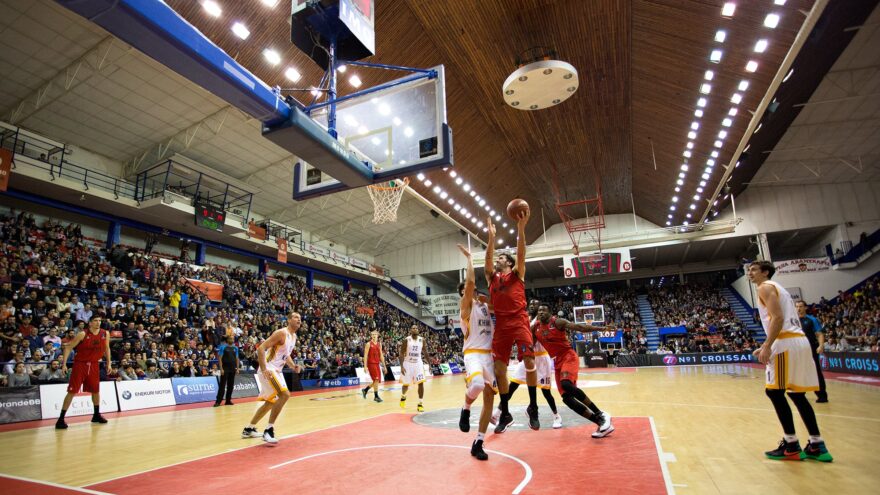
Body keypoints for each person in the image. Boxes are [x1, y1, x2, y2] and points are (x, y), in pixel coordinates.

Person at [748, 261, 832, 462]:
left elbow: (777, 318)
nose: (749, 273)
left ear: (765, 272)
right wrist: (766, 343)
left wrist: (768, 345)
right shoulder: (779, 288)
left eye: (753, 269)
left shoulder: (765, 287)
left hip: (785, 342)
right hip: (798, 341)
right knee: (797, 394)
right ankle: (816, 444)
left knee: (774, 392)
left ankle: (791, 445)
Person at [485, 210, 539, 432]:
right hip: (502, 325)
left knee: (528, 362)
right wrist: (491, 237)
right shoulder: (492, 277)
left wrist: (521, 228)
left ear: (508, 262)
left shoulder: (517, 273)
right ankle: (505, 413)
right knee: (499, 370)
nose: (497, 260)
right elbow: (487, 260)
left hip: (519, 321)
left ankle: (533, 407)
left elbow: (522, 252)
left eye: (501, 258)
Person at [534, 304, 614, 438]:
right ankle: (600, 422)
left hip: (568, 356)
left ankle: (600, 413)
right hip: (556, 362)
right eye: (539, 311)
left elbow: (580, 328)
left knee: (566, 384)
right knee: (567, 399)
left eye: (544, 310)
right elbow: (526, 341)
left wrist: (601, 328)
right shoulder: (535, 327)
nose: (541, 312)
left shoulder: (557, 322)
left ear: (550, 313)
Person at [456, 244, 496, 461]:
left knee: (489, 400)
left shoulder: (484, 306)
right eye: (465, 290)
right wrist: (470, 259)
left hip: (489, 354)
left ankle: (478, 442)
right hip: (472, 352)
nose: (469, 291)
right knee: (478, 385)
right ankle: (465, 407)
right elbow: (470, 282)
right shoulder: (465, 306)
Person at [241, 312, 303, 445]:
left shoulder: (294, 336)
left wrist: (293, 366)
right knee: (285, 395)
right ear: (288, 320)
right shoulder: (281, 333)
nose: (299, 319)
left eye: (300, 318)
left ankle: (249, 429)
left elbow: (285, 355)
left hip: (277, 371)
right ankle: (268, 430)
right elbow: (261, 348)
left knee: (270, 402)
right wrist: (264, 369)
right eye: (295, 317)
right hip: (269, 369)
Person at [501, 299, 563, 428]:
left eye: (536, 304)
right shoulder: (526, 319)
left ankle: (556, 416)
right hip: (528, 357)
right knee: (512, 385)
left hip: (541, 358)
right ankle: (498, 413)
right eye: (531, 304)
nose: (532, 306)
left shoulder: (541, 321)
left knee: (546, 392)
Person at [56, 315, 111, 429]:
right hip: (80, 364)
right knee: (72, 391)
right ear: (90, 323)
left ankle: (96, 415)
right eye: (95, 320)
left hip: (94, 364)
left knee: (96, 391)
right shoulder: (82, 334)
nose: (98, 322)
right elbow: (68, 348)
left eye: (99, 320)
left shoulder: (105, 333)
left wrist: (109, 363)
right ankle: (60, 419)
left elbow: (107, 348)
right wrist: (64, 364)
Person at [795, 301, 827, 403]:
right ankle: (800, 393)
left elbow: (819, 334)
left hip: (811, 348)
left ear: (805, 308)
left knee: (816, 371)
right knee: (799, 371)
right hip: (798, 350)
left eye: (800, 306)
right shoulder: (793, 321)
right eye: (797, 307)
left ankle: (822, 395)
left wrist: (821, 345)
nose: (798, 308)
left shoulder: (812, 319)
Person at [399, 325, 428, 412]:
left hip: (418, 363)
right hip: (407, 363)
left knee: (421, 383)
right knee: (406, 384)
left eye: (416, 328)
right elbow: (401, 353)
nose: (415, 329)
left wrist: (430, 364)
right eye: (413, 328)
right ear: (410, 330)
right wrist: (401, 366)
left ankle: (420, 404)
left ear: (418, 330)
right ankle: (403, 396)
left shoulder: (422, 340)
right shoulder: (406, 340)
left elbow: (425, 352)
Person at [215, 335, 240, 407]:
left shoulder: (235, 348)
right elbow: (220, 358)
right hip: (225, 368)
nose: (232, 339)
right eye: (231, 338)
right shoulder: (223, 347)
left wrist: (237, 368)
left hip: (232, 368)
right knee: (222, 385)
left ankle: (228, 400)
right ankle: (218, 401)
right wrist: (221, 368)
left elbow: (237, 358)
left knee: (231, 385)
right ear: (227, 340)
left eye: (233, 339)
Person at [361, 330, 385, 403]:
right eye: (373, 334)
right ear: (371, 336)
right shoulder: (368, 344)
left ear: (378, 335)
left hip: (377, 364)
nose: (374, 335)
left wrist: (384, 366)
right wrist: (365, 366)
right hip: (371, 364)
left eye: (375, 334)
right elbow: (365, 356)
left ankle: (365, 390)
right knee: (376, 380)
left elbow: (381, 355)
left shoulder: (379, 344)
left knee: (376, 381)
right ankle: (376, 396)